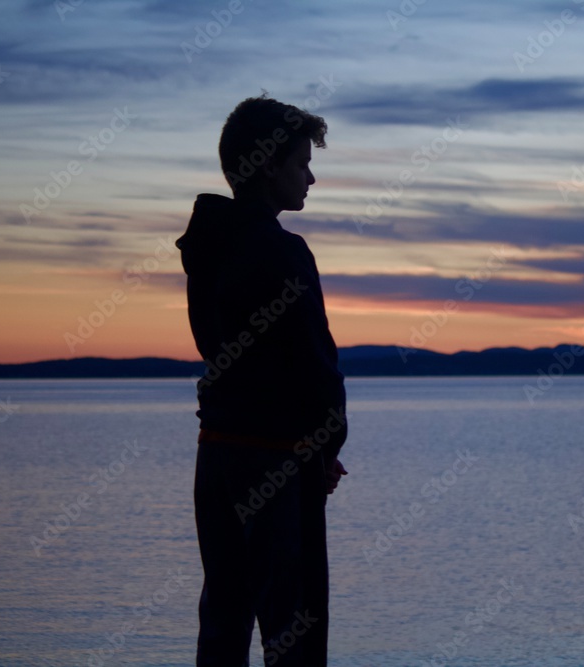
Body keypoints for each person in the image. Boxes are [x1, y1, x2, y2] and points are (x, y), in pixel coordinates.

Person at [175, 94, 348, 667]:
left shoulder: (208, 245)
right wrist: (326, 448)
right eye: (302, 164)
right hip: (276, 457)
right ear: (269, 165)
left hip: (217, 455)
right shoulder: (283, 251)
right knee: (293, 626)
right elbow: (314, 361)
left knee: (224, 617)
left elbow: (215, 345)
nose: (312, 177)